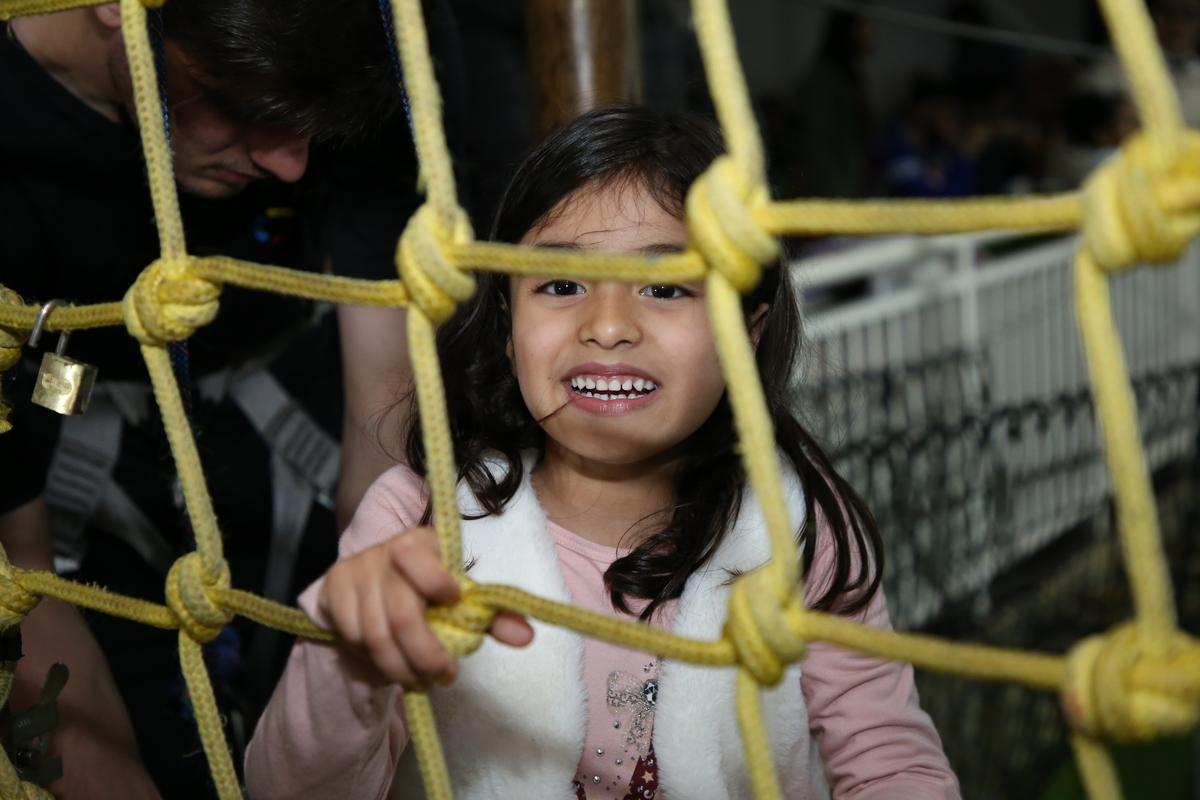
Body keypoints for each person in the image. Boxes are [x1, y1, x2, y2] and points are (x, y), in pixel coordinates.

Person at [244, 106, 961, 800]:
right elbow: (287, 791)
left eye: (665, 286)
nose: (608, 326)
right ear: (507, 325)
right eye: (561, 285)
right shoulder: (420, 524)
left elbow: (890, 764)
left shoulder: (798, 528)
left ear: (748, 331)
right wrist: (348, 660)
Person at [0, 1, 457, 797]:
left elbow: (382, 402)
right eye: (248, 106)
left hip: (297, 403)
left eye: (310, 127)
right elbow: (22, 576)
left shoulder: (376, 30)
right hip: (57, 409)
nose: (291, 164)